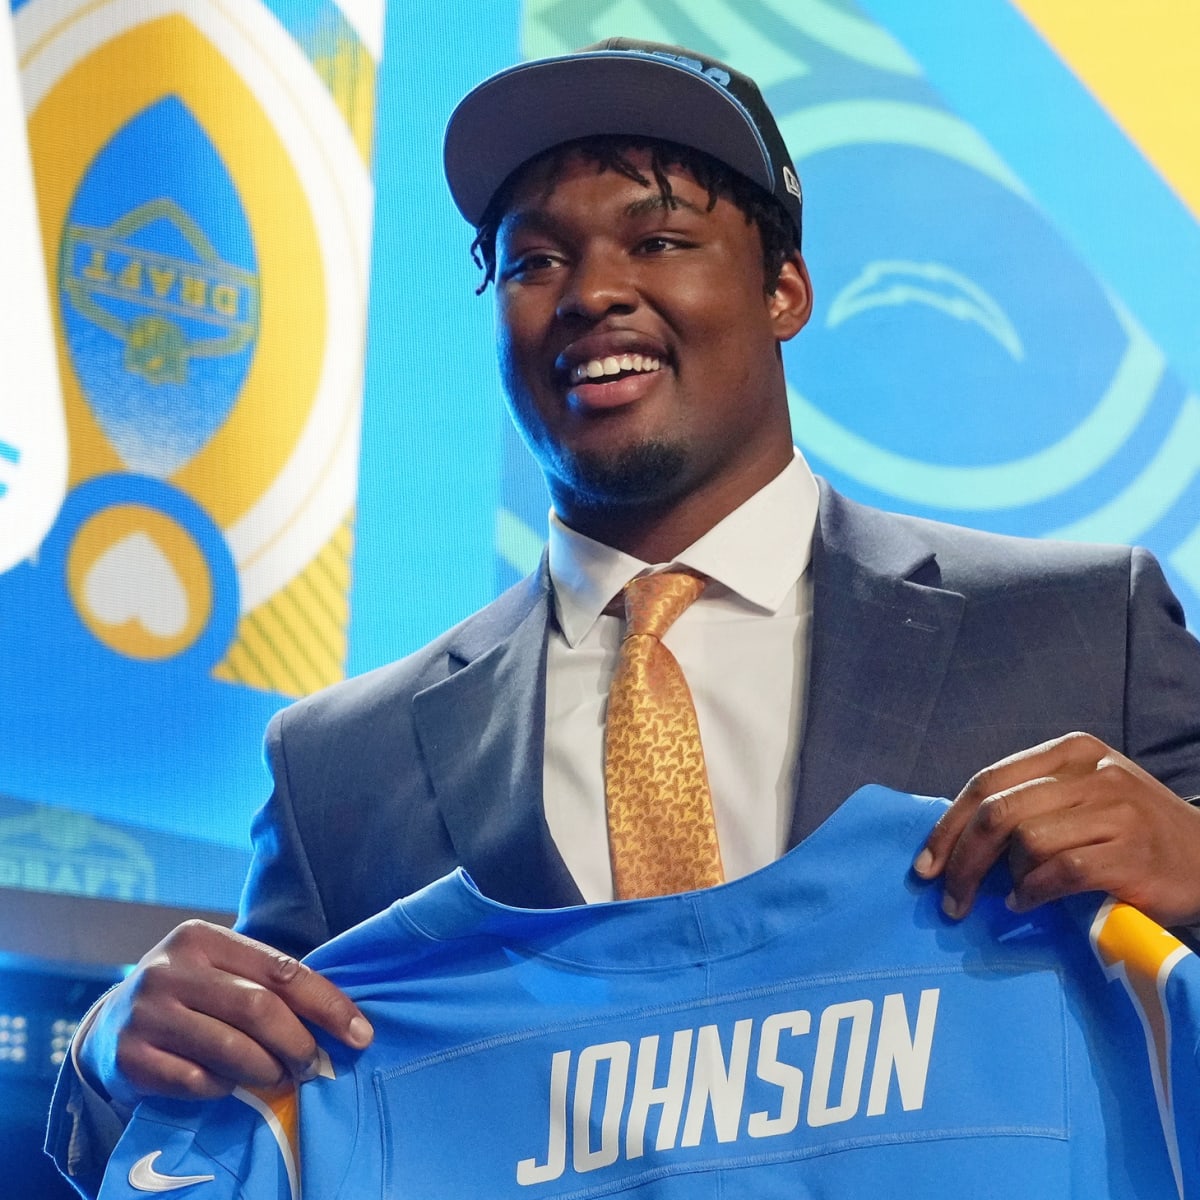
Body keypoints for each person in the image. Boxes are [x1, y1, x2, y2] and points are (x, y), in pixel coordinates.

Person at [47, 37, 1200, 1196]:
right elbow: (239, 1136)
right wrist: (111, 1058)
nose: (593, 291)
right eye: (534, 259)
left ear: (783, 290)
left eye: (659, 240)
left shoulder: (1084, 629)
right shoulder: (337, 763)